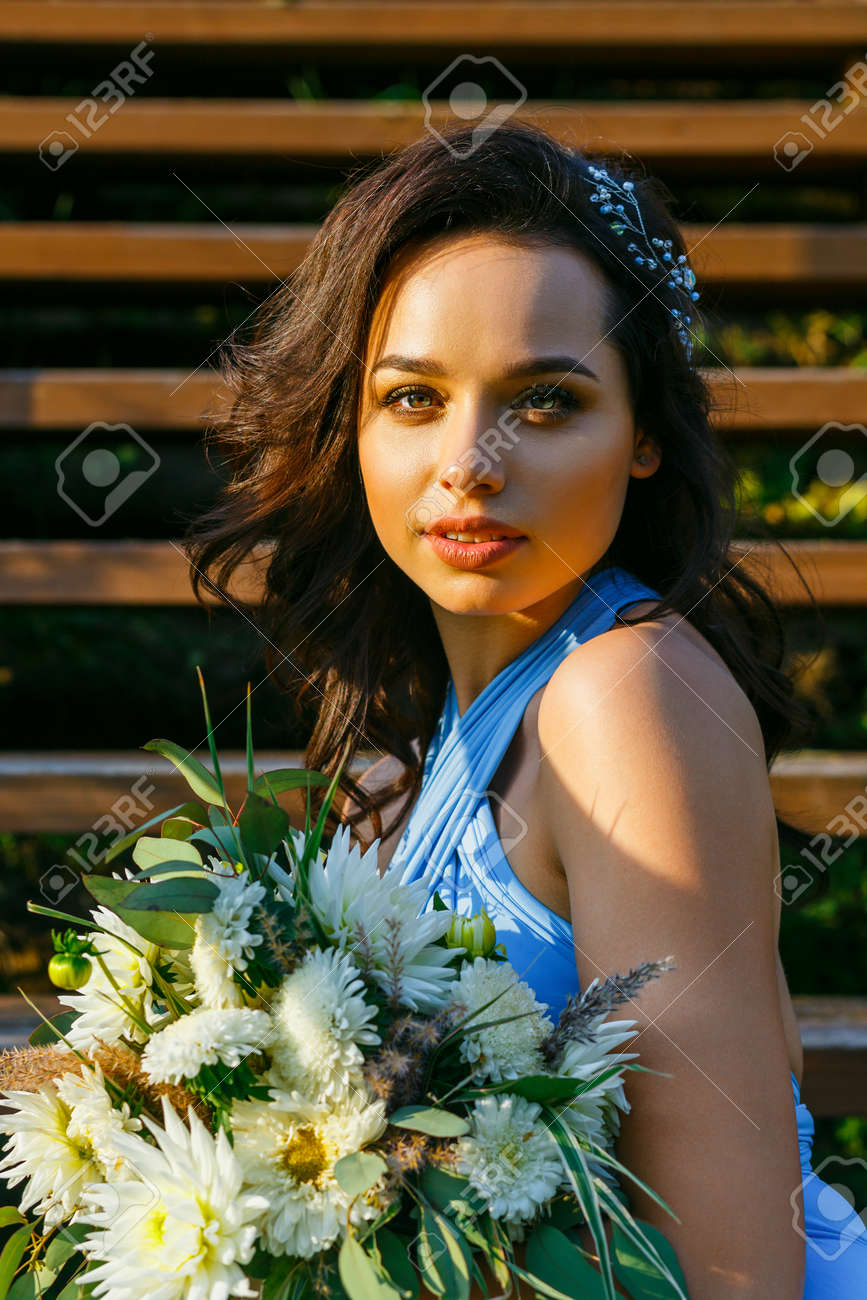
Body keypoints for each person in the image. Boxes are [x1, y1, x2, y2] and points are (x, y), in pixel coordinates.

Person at [185, 118, 867, 1297]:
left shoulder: (625, 694)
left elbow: (733, 1271)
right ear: (350, 428)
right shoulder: (392, 757)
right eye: (411, 399)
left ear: (645, 434)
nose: (471, 462)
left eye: (545, 400)